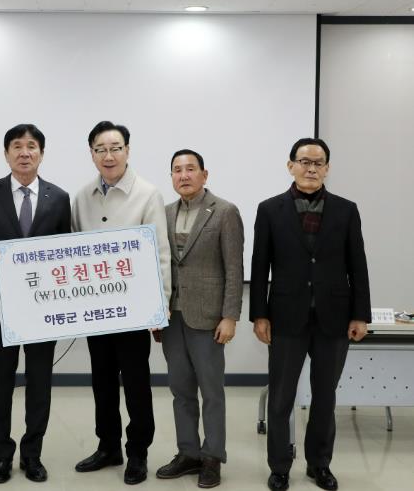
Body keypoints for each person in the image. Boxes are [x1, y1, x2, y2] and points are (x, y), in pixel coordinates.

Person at [250, 138, 371, 491]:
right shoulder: (269, 210)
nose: (311, 168)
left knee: (325, 398)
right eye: (304, 161)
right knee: (281, 397)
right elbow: (259, 265)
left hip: (334, 318)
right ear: (290, 166)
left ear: (327, 168)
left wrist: (360, 315)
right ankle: (279, 467)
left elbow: (358, 265)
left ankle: (319, 464)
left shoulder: (346, 210)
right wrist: (259, 314)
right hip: (286, 317)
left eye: (318, 163)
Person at [72, 120, 171, 485]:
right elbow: (73, 251)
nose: (109, 155)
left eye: (115, 148)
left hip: (134, 309)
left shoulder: (148, 194)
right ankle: (108, 446)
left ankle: (138, 451)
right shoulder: (82, 197)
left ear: (128, 151)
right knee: (101, 381)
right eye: (101, 149)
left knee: (135, 382)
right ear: (92, 154)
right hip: (96, 310)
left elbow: (161, 254)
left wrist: (160, 305)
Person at [0, 124, 71, 484]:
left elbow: (66, 251)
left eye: (31, 146)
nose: (24, 152)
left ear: (41, 153)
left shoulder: (59, 198)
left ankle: (32, 454)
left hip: (43, 309)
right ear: (6, 154)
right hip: (1, 306)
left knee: (40, 382)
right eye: (17, 146)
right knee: (0, 383)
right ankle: (1, 454)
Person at [156, 149, 244, 488]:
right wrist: (154, 311)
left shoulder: (224, 211)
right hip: (172, 317)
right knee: (180, 390)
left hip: (208, 319)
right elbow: (158, 265)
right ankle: (188, 453)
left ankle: (212, 457)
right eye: (177, 170)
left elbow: (234, 269)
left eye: (190, 168)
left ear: (204, 175)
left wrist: (230, 316)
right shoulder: (163, 213)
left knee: (211, 392)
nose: (184, 175)